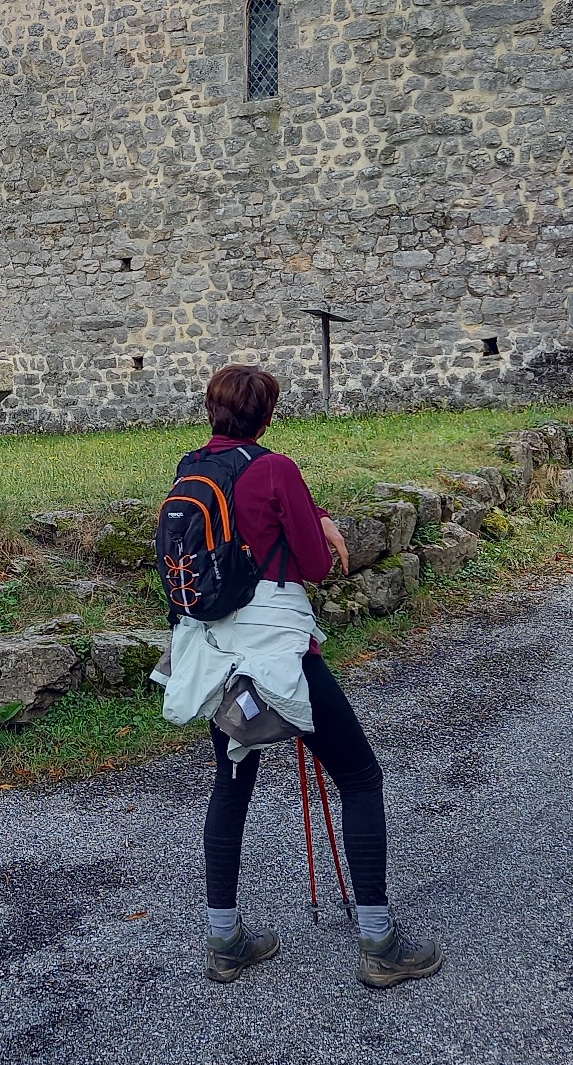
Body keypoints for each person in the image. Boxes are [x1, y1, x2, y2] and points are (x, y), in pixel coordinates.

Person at [153, 363, 444, 988]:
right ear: (269, 414)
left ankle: (226, 939)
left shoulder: (192, 468)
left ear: (213, 411)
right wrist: (316, 525)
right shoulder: (276, 467)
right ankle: (378, 942)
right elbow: (311, 564)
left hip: (214, 656)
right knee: (361, 777)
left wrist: (310, 510)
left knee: (231, 788)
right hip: (280, 656)